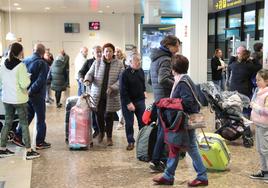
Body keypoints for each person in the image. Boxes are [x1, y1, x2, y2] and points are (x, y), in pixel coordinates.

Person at [153, 54, 208, 187]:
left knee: (191, 148)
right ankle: (168, 176)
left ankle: (202, 176)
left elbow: (188, 102)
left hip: (183, 121)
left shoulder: (182, 82)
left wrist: (169, 103)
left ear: (173, 69)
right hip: (182, 121)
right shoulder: (184, 79)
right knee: (174, 146)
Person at [0, 42, 40, 159]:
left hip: (6, 98)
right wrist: (28, 78)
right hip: (19, 99)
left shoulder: (3, 65)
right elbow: (24, 85)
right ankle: (29, 151)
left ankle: (2, 148)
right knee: (24, 124)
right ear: (19, 52)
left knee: (7, 123)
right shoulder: (20, 66)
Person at [149, 35, 180, 172]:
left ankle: (159, 158)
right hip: (165, 100)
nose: (178, 48)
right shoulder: (166, 59)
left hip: (158, 98)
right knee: (164, 130)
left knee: (163, 129)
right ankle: (156, 160)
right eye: (177, 45)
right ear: (169, 45)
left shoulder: (155, 58)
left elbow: (151, 80)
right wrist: (177, 85)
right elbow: (163, 79)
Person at [13, 43, 51, 150]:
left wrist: (25, 91)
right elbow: (40, 81)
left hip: (26, 94)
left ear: (34, 50)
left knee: (28, 116)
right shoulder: (42, 63)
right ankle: (40, 142)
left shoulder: (25, 61)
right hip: (37, 96)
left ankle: (18, 136)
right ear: (43, 53)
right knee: (40, 118)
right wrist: (31, 91)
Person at [84, 43, 123, 146]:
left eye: (110, 51)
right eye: (106, 51)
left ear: (113, 52)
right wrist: (88, 79)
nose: (108, 53)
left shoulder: (119, 64)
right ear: (103, 52)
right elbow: (90, 73)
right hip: (98, 94)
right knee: (99, 114)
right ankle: (101, 132)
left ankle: (109, 137)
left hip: (111, 94)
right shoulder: (97, 62)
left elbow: (121, 79)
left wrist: (113, 87)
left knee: (109, 116)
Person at [228, 47, 262, 147]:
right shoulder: (250, 66)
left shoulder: (234, 65)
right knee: (245, 114)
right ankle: (247, 136)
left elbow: (229, 66)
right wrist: (253, 59)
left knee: (235, 112)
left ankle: (235, 131)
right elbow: (259, 66)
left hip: (233, 92)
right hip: (245, 93)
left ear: (239, 55)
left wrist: (232, 58)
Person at [119, 52, 146, 150]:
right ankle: (130, 141)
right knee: (129, 123)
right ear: (130, 61)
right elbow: (122, 91)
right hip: (128, 101)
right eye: (137, 60)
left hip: (140, 100)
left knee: (143, 122)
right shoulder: (124, 74)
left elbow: (143, 83)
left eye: (140, 60)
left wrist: (144, 91)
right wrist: (128, 103)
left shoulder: (141, 71)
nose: (139, 62)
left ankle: (143, 141)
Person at [78, 45, 102, 138]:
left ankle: (103, 129)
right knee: (94, 111)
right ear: (93, 54)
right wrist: (81, 78)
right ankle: (96, 129)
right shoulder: (89, 62)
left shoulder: (106, 62)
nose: (99, 53)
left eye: (100, 51)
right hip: (91, 91)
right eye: (97, 52)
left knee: (103, 111)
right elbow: (81, 72)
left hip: (103, 91)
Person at [249, 69, 268, 181]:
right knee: (260, 150)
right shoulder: (259, 91)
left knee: (265, 150)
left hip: (265, 126)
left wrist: (254, 106)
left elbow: (266, 111)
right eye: (256, 80)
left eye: (259, 80)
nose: (256, 82)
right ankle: (264, 171)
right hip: (259, 125)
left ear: (266, 81)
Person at [115, 47, 126, 130]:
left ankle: (121, 122)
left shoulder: (125, 63)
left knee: (121, 106)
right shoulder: (111, 62)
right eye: (115, 52)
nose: (117, 53)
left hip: (122, 87)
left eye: (118, 52)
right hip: (113, 87)